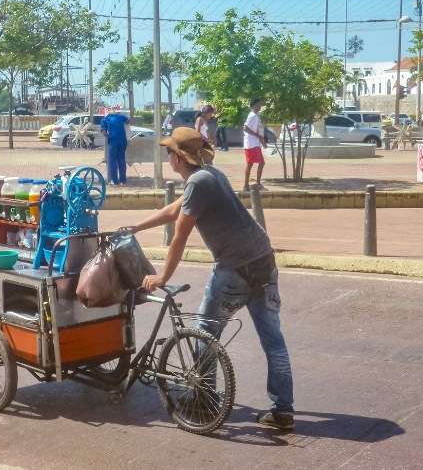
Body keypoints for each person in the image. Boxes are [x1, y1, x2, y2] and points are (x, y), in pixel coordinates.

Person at [121, 127, 295, 430]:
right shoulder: (208, 175)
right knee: (273, 341)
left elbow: (179, 236)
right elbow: (174, 210)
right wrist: (135, 227)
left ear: (177, 157)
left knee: (205, 330)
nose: (168, 158)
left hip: (234, 269)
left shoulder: (198, 183)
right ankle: (283, 411)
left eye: (169, 153)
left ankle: (205, 397)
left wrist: (161, 276)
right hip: (263, 261)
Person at [243, 98, 267, 191]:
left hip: (255, 143)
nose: (260, 106)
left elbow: (258, 130)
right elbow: (245, 128)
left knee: (256, 163)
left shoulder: (256, 116)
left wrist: (262, 142)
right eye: (258, 105)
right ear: (253, 106)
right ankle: (249, 185)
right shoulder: (252, 116)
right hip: (251, 144)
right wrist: (257, 136)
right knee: (253, 164)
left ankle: (255, 184)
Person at [100, 112, 130, 186]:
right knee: (122, 160)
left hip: (113, 141)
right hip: (123, 140)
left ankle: (115, 181)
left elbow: (104, 132)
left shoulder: (105, 119)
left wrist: (109, 136)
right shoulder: (121, 116)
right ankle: (123, 180)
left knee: (113, 161)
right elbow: (129, 121)